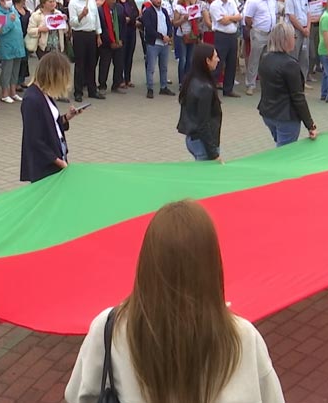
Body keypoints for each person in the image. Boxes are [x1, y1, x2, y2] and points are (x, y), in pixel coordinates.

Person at [65, 200, 285, 403]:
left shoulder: (108, 328)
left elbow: (76, 395)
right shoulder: (242, 338)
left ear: (147, 262)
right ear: (210, 266)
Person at [20, 52, 85, 182]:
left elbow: (50, 124)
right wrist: (58, 162)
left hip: (56, 157)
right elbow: (34, 139)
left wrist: (66, 117)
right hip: (45, 165)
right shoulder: (32, 99)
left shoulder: (44, 94)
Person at [257, 23, 317, 146]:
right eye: (293, 37)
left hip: (268, 113)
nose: (295, 39)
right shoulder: (290, 64)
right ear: (286, 40)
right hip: (285, 116)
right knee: (285, 152)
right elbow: (298, 97)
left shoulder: (265, 58)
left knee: (280, 145)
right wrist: (310, 124)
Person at [177, 43, 222, 162]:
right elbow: (203, 123)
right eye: (215, 57)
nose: (218, 60)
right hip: (202, 143)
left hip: (192, 138)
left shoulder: (191, 79)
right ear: (207, 60)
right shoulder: (205, 88)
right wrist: (214, 154)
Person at [68, 0, 104, 103]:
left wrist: (98, 34)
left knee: (92, 63)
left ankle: (92, 90)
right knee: (80, 64)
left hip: (91, 34)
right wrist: (81, 15)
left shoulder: (92, 0)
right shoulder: (73, 2)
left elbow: (96, 18)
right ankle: (78, 91)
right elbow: (72, 22)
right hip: (79, 35)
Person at [141, 0, 176, 99]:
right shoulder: (148, 12)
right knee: (151, 67)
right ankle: (150, 88)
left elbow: (169, 24)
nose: (158, 1)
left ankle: (163, 86)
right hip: (153, 43)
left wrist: (169, 35)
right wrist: (161, 37)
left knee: (164, 66)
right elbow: (149, 28)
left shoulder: (164, 11)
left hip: (164, 44)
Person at [244, 0, 277, 95]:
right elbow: (248, 17)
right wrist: (254, 26)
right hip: (258, 32)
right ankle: (250, 84)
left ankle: (266, 83)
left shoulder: (273, 0)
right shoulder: (254, 1)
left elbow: (274, 14)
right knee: (254, 59)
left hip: (270, 33)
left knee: (267, 59)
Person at [210, 0, 243, 98]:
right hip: (221, 36)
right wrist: (232, 18)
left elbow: (239, 17)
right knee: (218, 64)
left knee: (232, 63)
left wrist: (229, 18)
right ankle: (212, 91)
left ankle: (228, 89)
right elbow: (222, 21)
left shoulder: (232, 2)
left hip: (232, 35)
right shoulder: (215, 5)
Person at [0, 0, 28, 104]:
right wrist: (9, 21)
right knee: (7, 70)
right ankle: (5, 93)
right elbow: (0, 31)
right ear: (1, 1)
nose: (10, 2)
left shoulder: (12, 9)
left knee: (15, 70)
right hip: (6, 45)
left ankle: (13, 92)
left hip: (17, 44)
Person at [97, 0, 126, 94]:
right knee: (104, 64)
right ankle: (102, 85)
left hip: (119, 41)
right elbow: (101, 28)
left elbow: (123, 25)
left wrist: (121, 39)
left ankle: (116, 84)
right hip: (106, 43)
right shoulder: (100, 11)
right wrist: (110, 42)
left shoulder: (119, 8)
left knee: (119, 64)